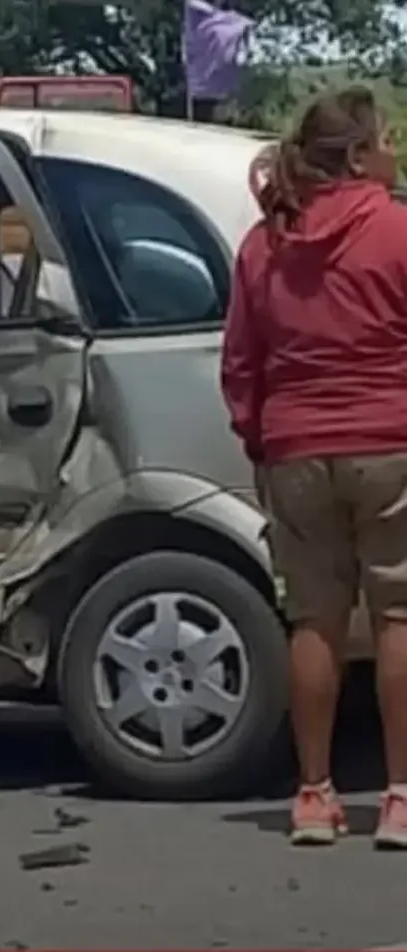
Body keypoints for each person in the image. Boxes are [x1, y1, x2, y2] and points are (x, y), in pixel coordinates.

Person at [221, 86, 407, 848]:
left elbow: (241, 362)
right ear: (359, 155)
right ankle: (399, 798)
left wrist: (260, 438)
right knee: (399, 612)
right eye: (388, 138)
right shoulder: (399, 230)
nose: (396, 149)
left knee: (314, 621)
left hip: (297, 449)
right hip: (392, 441)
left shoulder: (264, 244)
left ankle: (313, 795)